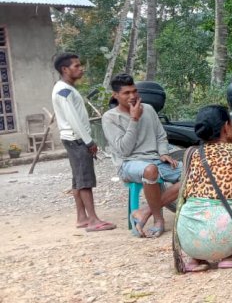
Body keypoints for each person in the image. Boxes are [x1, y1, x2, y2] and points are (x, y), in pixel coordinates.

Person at [174, 105, 232, 272]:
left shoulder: (193, 153)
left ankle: (196, 259)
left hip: (188, 237)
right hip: (224, 237)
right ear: (226, 127)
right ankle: (231, 256)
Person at [102, 73, 181, 238]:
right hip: (129, 163)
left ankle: (145, 211)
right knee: (150, 170)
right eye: (126, 93)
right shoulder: (110, 118)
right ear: (115, 95)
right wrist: (134, 119)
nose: (132, 96)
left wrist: (164, 153)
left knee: (195, 173)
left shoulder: (149, 109)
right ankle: (158, 220)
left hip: (155, 160)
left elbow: (160, 136)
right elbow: (124, 150)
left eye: (134, 91)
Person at [51, 53, 116, 232]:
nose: (81, 69)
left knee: (78, 179)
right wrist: (89, 142)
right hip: (76, 139)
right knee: (85, 180)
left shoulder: (66, 88)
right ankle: (93, 220)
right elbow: (73, 119)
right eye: (76, 66)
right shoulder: (63, 91)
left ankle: (82, 217)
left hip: (73, 138)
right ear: (65, 69)